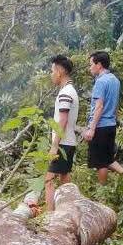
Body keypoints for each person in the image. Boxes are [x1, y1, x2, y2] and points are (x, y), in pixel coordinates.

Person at [82, 52, 123, 184]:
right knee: (108, 159)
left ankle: (103, 191)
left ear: (99, 65)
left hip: (101, 126)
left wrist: (91, 128)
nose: (89, 68)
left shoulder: (101, 82)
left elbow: (99, 106)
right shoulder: (115, 80)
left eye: (91, 65)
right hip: (111, 125)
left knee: (101, 163)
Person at [45, 55, 80, 211]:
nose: (51, 74)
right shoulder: (70, 90)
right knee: (65, 179)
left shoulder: (66, 92)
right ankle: (73, 208)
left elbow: (63, 121)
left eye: (52, 70)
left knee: (48, 180)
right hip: (68, 141)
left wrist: (54, 145)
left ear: (59, 71)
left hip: (62, 143)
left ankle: (49, 216)